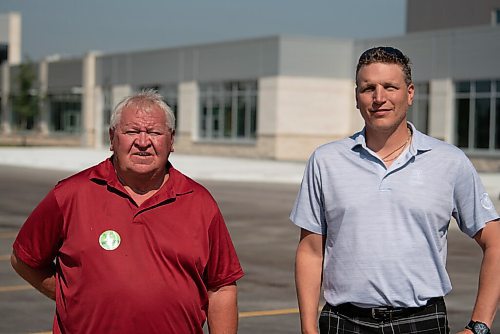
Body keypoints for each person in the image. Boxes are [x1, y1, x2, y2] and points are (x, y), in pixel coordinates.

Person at [291, 46, 500, 334]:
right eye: (368, 88)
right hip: (343, 323)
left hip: (422, 322)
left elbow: (496, 242)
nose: (379, 98)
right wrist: (308, 329)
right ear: (356, 96)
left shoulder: (449, 161)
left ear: (410, 93)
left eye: (390, 87)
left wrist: (480, 326)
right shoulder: (326, 161)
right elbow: (311, 251)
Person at [11, 90, 244, 334]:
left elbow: (222, 287)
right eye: (132, 131)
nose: (143, 142)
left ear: (171, 141)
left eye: (154, 132)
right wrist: (72, 297)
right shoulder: (70, 194)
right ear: (112, 138)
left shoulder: (200, 203)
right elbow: (24, 259)